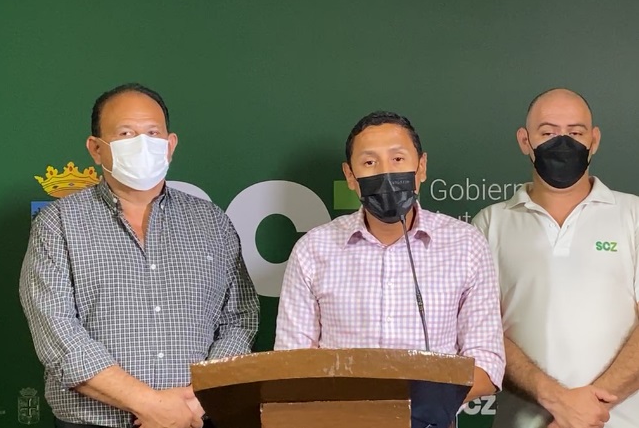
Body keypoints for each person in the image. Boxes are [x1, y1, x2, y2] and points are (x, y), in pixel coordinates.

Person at [19, 83, 259, 428]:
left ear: (170, 145)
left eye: (152, 133)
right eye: (126, 133)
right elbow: (57, 331)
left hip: (196, 417)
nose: (142, 144)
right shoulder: (58, 224)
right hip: (94, 422)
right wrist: (150, 405)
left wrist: (198, 399)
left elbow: (240, 319)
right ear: (96, 149)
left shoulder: (213, 223)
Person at [274, 111, 505, 407]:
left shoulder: (466, 245)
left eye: (397, 159)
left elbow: (487, 364)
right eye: (370, 163)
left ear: (421, 167)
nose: (386, 174)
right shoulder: (313, 250)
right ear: (350, 176)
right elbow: (290, 363)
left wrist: (417, 402)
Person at [473, 88, 639, 428]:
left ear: (594, 140)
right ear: (525, 141)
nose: (562, 143)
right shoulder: (489, 225)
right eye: (548, 133)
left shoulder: (634, 216)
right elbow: (481, 331)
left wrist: (584, 412)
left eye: (575, 133)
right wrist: (557, 400)